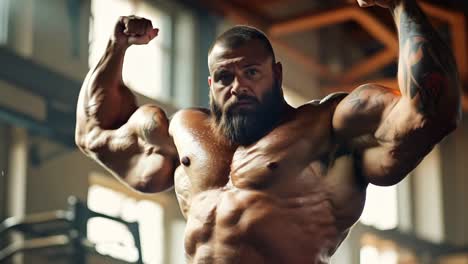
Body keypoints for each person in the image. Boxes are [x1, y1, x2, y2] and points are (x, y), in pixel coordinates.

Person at [75, 0, 461, 263]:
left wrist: (401, 4)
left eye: (251, 73)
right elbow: (93, 134)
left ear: (276, 75)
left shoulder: (329, 128)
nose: (238, 86)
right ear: (211, 83)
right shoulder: (185, 133)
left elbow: (431, 112)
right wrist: (115, 47)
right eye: (225, 77)